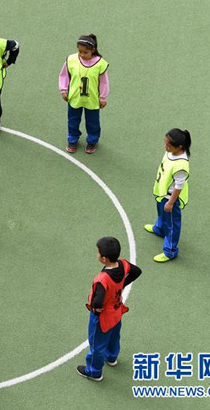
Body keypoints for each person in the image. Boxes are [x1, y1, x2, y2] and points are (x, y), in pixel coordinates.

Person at [77, 237, 142, 381]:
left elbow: (97, 301)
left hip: (103, 318)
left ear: (104, 259)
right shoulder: (123, 264)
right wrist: (123, 284)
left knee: (97, 345)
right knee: (114, 336)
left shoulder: (102, 279)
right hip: (116, 312)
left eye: (98, 252)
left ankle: (94, 372)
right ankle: (112, 357)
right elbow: (137, 271)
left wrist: (96, 308)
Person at [144, 129, 192, 262]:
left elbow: (179, 186)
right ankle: (159, 229)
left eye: (169, 145)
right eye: (165, 143)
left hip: (170, 197)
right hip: (162, 192)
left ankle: (170, 251)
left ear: (179, 147)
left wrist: (171, 202)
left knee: (172, 224)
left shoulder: (181, 165)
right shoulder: (171, 152)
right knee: (161, 213)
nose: (166, 147)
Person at [58, 34, 109, 154]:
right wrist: (64, 90)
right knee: (73, 121)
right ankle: (72, 139)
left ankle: (92, 141)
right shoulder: (71, 60)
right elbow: (64, 75)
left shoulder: (100, 64)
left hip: (92, 99)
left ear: (93, 50)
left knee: (93, 123)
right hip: (75, 98)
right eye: (80, 51)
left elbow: (104, 82)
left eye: (85, 52)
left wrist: (103, 97)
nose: (81, 54)